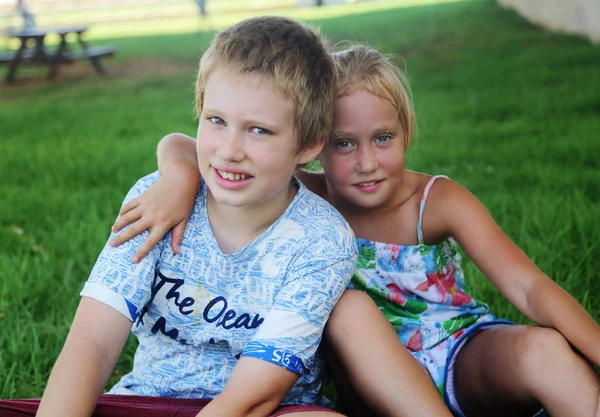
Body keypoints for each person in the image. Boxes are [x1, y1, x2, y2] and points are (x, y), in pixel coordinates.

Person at [109, 43, 600, 417]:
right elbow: (187, 143)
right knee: (348, 307)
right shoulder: (303, 196)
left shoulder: (436, 200)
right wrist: (177, 175)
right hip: (367, 384)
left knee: (545, 349)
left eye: (383, 138)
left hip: (459, 355)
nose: (366, 162)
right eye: (344, 144)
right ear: (313, 145)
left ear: (407, 131)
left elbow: (529, 287)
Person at [0, 16, 363, 417]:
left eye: (258, 130)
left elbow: (255, 395)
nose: (229, 150)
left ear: (309, 144)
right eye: (216, 120)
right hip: (146, 400)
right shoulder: (155, 199)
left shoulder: (323, 238)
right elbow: (93, 341)